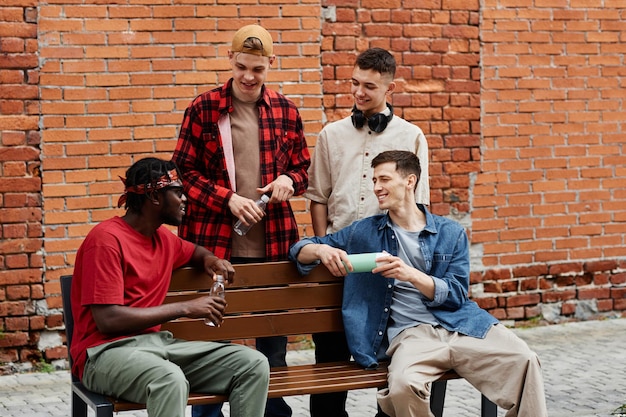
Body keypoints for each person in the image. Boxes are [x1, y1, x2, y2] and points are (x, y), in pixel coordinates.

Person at [290, 151, 548, 417]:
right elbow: (300, 249)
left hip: (461, 325)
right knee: (402, 385)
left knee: (525, 361)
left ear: (409, 181)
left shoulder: (451, 232)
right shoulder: (364, 231)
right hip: (411, 334)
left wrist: (410, 274)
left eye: (384, 179)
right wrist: (322, 252)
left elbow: (457, 295)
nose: (376, 187)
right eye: (374, 180)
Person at [171, 24, 310, 417]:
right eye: (243, 67)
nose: (249, 77)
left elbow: (303, 169)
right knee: (212, 341)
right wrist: (227, 199)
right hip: (215, 246)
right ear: (230, 59)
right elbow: (182, 174)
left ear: (271, 65)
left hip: (273, 244)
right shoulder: (203, 108)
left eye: (258, 69)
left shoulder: (285, 110)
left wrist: (288, 180)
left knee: (273, 344)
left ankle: (274, 411)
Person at [70, 158, 270, 417]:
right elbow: (108, 319)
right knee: (168, 379)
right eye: (178, 192)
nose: (185, 199)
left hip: (157, 345)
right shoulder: (106, 241)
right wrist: (186, 307)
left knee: (252, 364)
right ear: (154, 196)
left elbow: (195, 252)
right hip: (103, 354)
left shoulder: (163, 238)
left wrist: (211, 260)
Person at [303, 47, 430, 417]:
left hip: (387, 262)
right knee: (328, 353)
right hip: (337, 258)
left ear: (391, 87)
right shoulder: (331, 134)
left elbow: (417, 208)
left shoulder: (412, 136)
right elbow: (317, 197)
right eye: (355, 83)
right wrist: (325, 246)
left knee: (390, 353)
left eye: (369, 87)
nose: (359, 93)